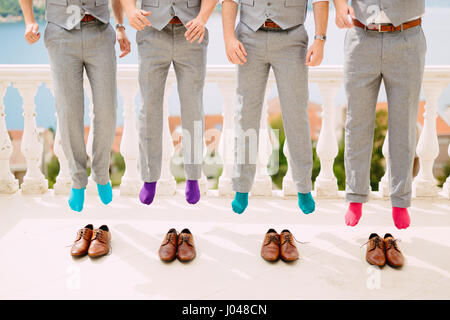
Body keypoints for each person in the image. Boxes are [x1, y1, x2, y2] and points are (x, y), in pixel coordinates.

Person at [19, 0, 131, 212]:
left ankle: (101, 174)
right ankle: (78, 180)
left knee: (107, 109)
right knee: (68, 111)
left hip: (100, 31)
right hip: (61, 35)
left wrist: (120, 26)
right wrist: (29, 21)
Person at [221, 0, 329, 214]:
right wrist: (229, 38)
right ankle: (241, 188)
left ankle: (304, 188)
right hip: (249, 38)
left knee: (296, 115)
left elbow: (319, 0)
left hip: (292, 39)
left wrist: (320, 39)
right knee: (246, 115)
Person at [333, 0, 426, 229]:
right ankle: (355, 198)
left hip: (407, 37)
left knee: (404, 125)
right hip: (361, 38)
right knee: (357, 124)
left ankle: (400, 201)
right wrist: (338, 6)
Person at [120, 0, 218, 205]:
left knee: (193, 109)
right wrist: (129, 10)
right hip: (151, 32)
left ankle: (193, 177)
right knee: (149, 109)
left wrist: (202, 18)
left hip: (192, 32)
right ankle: (148, 178)